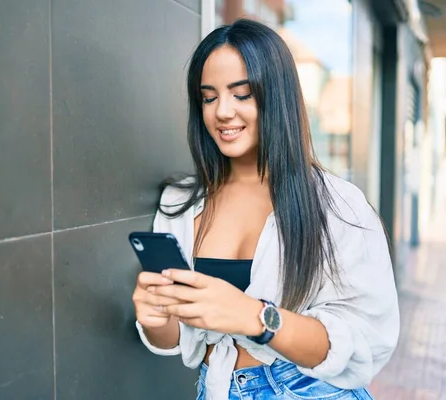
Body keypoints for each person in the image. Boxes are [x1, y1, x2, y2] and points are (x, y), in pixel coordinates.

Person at [131, 19, 399, 400]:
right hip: (218, 388)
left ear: (277, 97)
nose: (222, 111)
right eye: (209, 97)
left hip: (310, 390)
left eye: (242, 94)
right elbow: (176, 338)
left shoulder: (337, 205)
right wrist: (154, 319)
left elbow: (364, 341)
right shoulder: (179, 204)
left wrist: (255, 317)